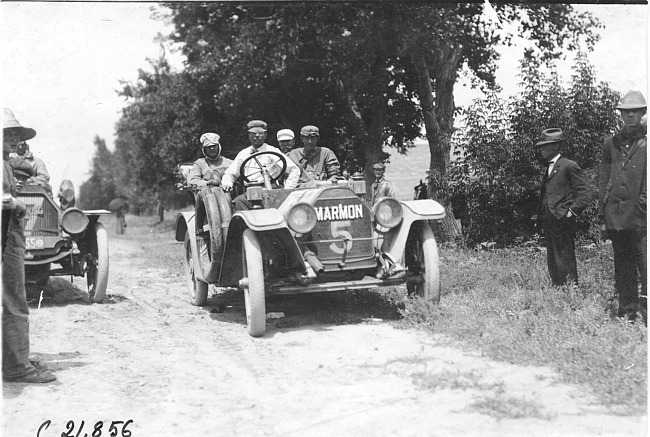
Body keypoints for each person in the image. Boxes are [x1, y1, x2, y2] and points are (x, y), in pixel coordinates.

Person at [2, 108, 56, 383]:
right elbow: (2, 199)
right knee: (15, 302)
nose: (13, 139)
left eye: (16, 134)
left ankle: (16, 359)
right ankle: (16, 368)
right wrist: (17, 202)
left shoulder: (8, 161)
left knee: (13, 300)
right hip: (6, 234)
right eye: (7, 133)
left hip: (10, 233)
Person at [598, 90, 647, 321]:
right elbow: (604, 179)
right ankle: (628, 312)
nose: (629, 116)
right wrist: (603, 214)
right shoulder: (611, 143)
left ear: (643, 113)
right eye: (625, 112)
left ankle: (647, 315)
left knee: (646, 267)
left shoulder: (647, 142)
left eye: (634, 111)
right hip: (617, 216)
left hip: (642, 216)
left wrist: (642, 206)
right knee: (624, 268)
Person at [536, 127, 590, 287]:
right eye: (540, 146)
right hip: (550, 220)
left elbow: (586, 192)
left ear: (556, 146)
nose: (541, 150)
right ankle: (558, 288)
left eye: (545, 146)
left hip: (562, 219)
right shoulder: (549, 167)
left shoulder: (569, 165)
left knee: (565, 256)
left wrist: (571, 212)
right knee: (553, 257)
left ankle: (571, 290)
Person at [221, 120, 300, 210]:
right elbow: (230, 173)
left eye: (260, 133)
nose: (257, 136)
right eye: (254, 133)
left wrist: (287, 190)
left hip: (272, 190)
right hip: (250, 192)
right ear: (249, 135)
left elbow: (294, 170)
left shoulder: (272, 151)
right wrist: (227, 183)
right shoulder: (243, 154)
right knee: (239, 202)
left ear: (265, 135)